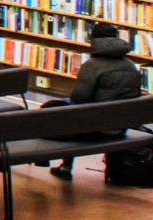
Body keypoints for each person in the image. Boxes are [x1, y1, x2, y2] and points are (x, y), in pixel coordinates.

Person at [51, 20, 144, 179]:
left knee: (57, 111)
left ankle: (66, 167)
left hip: (94, 129)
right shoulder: (131, 67)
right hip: (121, 127)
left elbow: (78, 100)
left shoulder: (91, 66)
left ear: (94, 40)